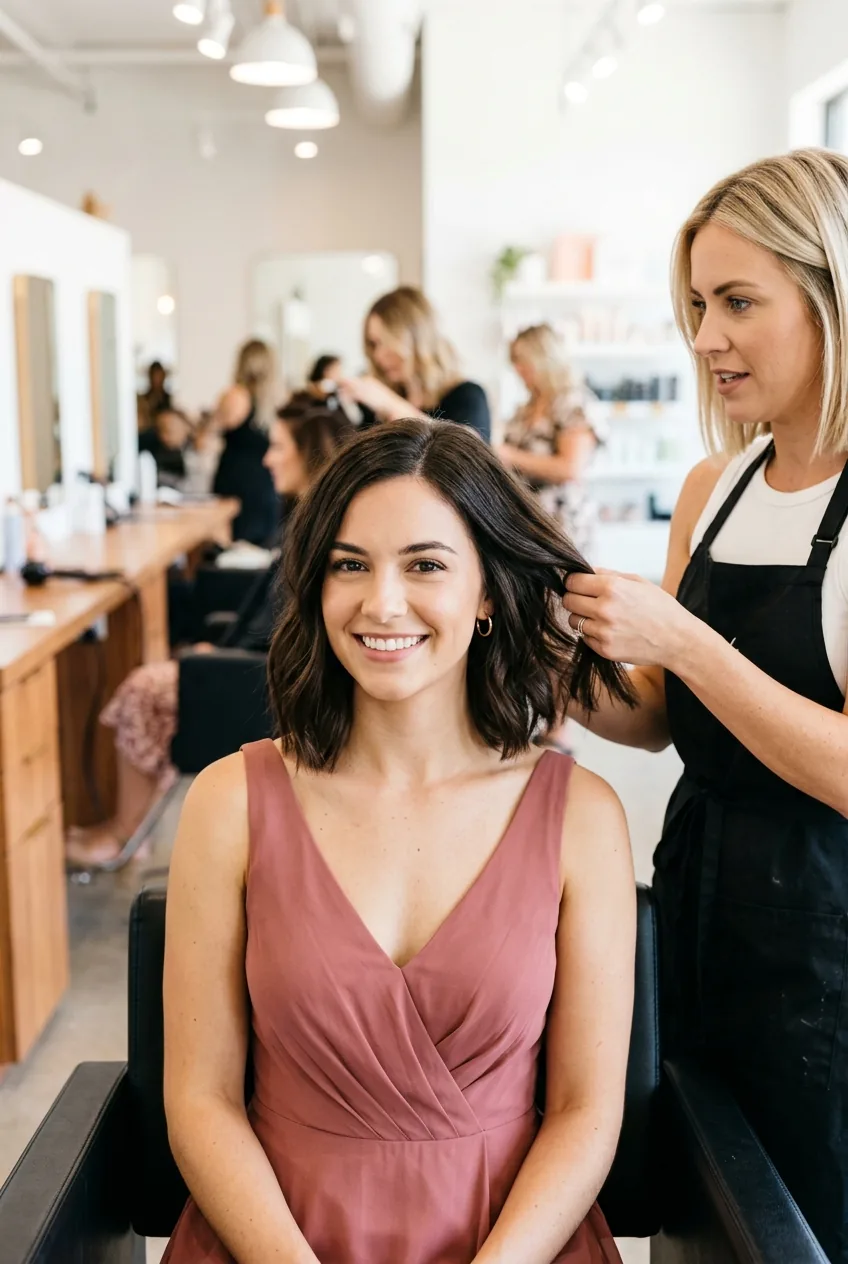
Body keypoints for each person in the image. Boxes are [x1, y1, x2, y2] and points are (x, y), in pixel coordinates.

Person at [161, 418, 635, 1264]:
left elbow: (584, 1113)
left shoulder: (582, 819)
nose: (381, 603)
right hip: (274, 1240)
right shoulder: (230, 801)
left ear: (487, 591)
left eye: (425, 565)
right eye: (350, 565)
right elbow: (200, 1100)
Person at [562, 149, 848, 1262]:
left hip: (825, 944)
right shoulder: (711, 487)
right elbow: (660, 717)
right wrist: (555, 655)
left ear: (828, 292)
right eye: (693, 305)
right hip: (698, 900)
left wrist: (683, 638)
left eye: (736, 302)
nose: (703, 337)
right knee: (701, 1213)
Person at [64, 406, 353, 870]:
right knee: (162, 668)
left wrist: (218, 655)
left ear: (310, 454)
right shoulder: (307, 520)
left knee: (141, 690)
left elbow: (290, 632)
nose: (266, 460)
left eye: (278, 448)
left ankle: (121, 836)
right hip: (241, 663)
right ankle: (121, 826)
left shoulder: (320, 535)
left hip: (257, 686)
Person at [498, 324, 602, 557]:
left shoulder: (573, 403)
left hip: (562, 522)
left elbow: (570, 467)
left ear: (544, 358)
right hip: (526, 520)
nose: (517, 368)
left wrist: (509, 455)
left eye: (523, 361)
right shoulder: (526, 408)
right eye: (514, 361)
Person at [342, 286, 492, 442]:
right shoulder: (378, 407)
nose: (378, 355)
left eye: (385, 342)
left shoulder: (467, 396)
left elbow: (468, 451)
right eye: (373, 344)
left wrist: (389, 403)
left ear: (416, 340)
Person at [212, 339, 280, 545]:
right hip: (265, 487)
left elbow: (204, 440)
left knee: (235, 554)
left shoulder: (235, 396)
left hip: (237, 488)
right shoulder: (276, 400)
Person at [137, 404, 192, 488]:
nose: (164, 436)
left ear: (186, 427)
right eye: (160, 430)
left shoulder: (197, 452)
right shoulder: (153, 451)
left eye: (169, 430)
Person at [137, 360, 172, 433]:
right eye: (154, 376)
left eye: (159, 376)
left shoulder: (169, 398)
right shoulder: (143, 399)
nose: (157, 379)